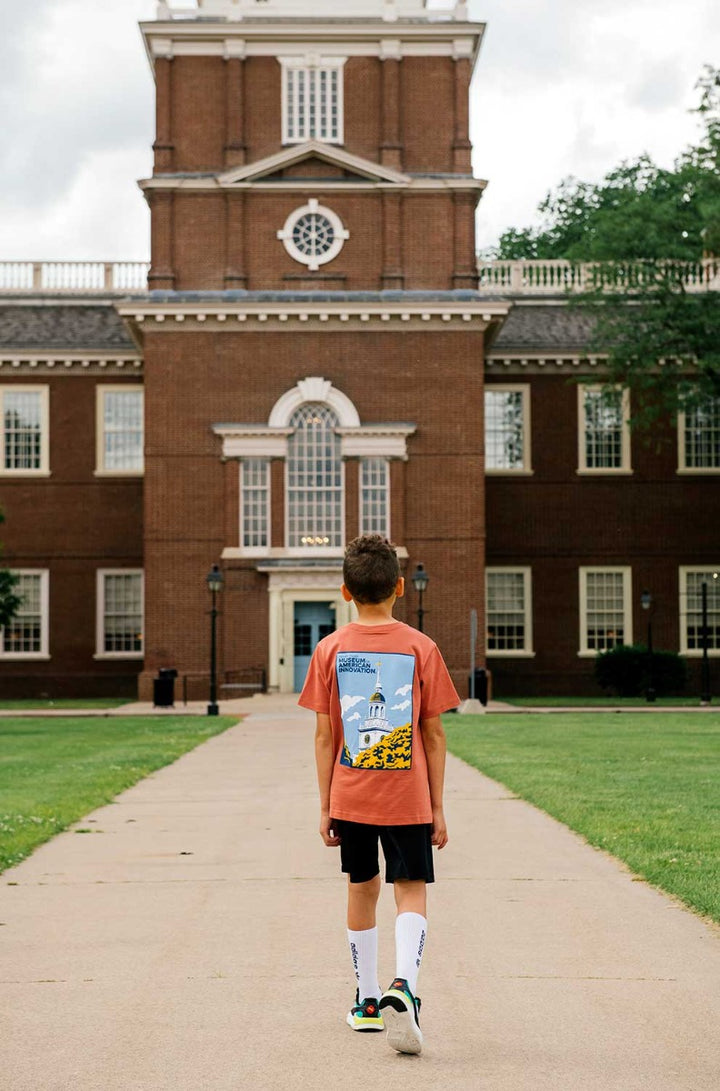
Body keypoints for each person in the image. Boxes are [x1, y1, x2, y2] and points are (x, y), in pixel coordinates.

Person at [298, 535, 460, 1055]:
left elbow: (325, 736)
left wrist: (326, 805)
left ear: (345, 592)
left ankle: (367, 1002)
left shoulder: (329, 649)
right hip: (406, 796)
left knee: (360, 887)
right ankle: (405, 986)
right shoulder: (421, 647)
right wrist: (437, 807)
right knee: (409, 886)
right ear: (398, 588)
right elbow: (433, 734)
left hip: (352, 794)